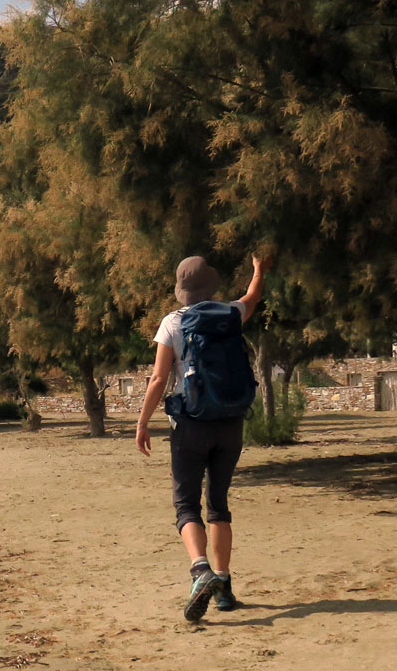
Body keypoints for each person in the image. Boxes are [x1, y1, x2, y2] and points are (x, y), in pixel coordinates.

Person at [135, 254, 270, 623]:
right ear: (210, 284)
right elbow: (253, 296)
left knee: (185, 505)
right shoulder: (230, 313)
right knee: (218, 503)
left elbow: (159, 379)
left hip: (191, 424)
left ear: (182, 290)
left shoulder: (171, 323)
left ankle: (200, 571)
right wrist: (258, 268)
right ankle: (224, 587)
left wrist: (142, 422)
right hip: (231, 421)